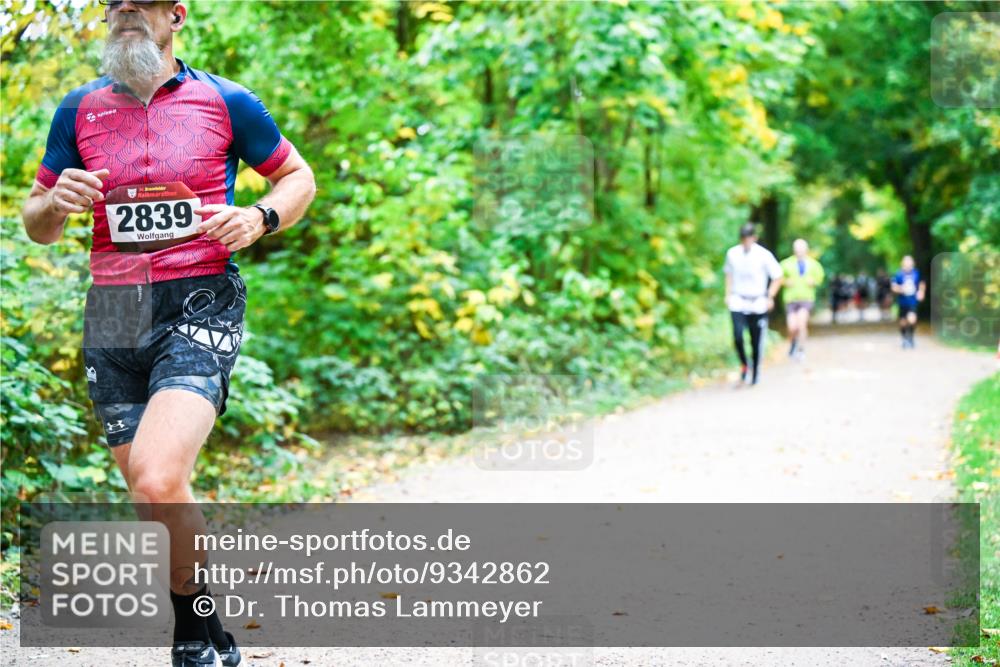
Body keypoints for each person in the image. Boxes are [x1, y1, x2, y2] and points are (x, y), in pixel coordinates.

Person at [20, 1, 316, 665]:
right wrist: (53, 203)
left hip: (200, 298)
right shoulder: (78, 110)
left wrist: (261, 216)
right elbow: (35, 219)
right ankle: (212, 628)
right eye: (114, 4)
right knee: (152, 496)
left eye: (142, 2)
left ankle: (188, 637)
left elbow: (299, 177)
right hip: (114, 309)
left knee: (157, 475)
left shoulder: (228, 101)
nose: (126, 11)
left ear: (175, 15)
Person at [724, 223, 783, 385]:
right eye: (743, 238)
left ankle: (756, 370)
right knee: (737, 336)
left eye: (748, 238)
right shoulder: (732, 254)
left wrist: (770, 296)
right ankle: (744, 364)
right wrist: (727, 294)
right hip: (738, 300)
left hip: (757, 301)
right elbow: (728, 274)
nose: (746, 241)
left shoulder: (763, 255)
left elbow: (778, 276)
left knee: (755, 340)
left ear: (754, 238)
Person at [779, 239, 825, 360]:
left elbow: (820, 278)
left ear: (806, 250)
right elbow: (778, 277)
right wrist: (785, 282)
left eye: (801, 249)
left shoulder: (814, 264)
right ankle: (793, 343)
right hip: (790, 299)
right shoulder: (786, 264)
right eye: (797, 249)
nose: (799, 252)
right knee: (792, 326)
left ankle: (801, 349)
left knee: (801, 323)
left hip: (806, 298)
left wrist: (813, 282)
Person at [891, 255, 926, 349]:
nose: (908, 264)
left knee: (912, 319)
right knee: (902, 322)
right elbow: (893, 287)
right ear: (903, 263)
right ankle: (904, 338)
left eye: (910, 261)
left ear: (912, 263)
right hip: (902, 302)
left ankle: (910, 338)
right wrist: (902, 289)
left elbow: (922, 283)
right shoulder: (898, 274)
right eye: (906, 262)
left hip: (912, 301)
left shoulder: (916, 273)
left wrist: (921, 292)